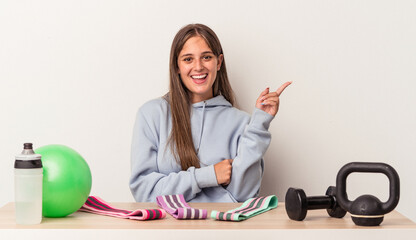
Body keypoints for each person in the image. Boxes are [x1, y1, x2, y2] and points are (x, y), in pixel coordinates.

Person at [129, 23, 291, 203]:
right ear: (177, 66)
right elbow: (143, 191)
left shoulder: (242, 123)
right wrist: (207, 176)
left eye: (206, 57)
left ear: (219, 62)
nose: (198, 67)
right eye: (188, 59)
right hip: (166, 229)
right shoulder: (151, 114)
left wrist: (259, 125)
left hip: (221, 228)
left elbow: (244, 197)